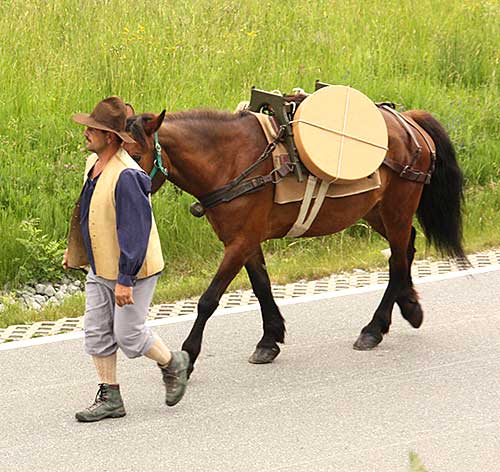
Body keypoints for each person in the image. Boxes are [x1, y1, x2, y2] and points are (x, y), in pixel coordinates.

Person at [64, 96, 189, 422]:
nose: (86, 132)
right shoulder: (93, 166)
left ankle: (173, 363)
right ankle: (111, 397)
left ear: (111, 137)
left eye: (94, 129)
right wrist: (75, 251)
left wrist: (124, 279)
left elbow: (136, 231)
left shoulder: (128, 176)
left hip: (133, 270)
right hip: (100, 266)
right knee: (96, 331)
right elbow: (87, 212)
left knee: (129, 334)